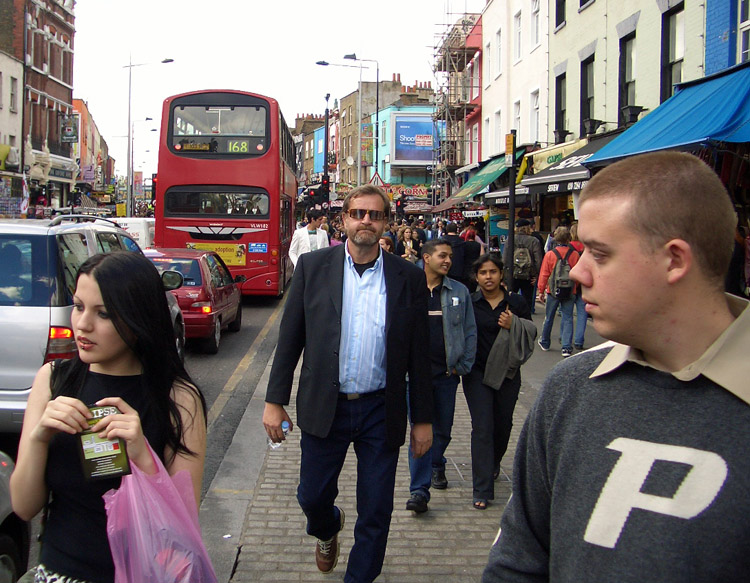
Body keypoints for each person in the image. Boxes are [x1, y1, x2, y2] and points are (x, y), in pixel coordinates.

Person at [483, 151, 750, 582]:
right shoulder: (570, 387)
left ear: (675, 260)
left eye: (600, 254)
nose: (577, 273)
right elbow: (518, 561)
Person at [262, 184, 432, 583]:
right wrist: (274, 400)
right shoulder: (313, 267)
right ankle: (326, 529)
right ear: (344, 221)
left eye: (374, 215)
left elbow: (420, 353)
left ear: (386, 222)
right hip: (326, 405)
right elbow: (290, 339)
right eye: (358, 214)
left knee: (376, 509)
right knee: (312, 496)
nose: (366, 221)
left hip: (380, 408)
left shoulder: (408, 277)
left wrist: (422, 418)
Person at [11, 252, 207, 583]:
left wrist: (143, 457)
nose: (83, 324)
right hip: (58, 573)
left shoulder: (178, 399)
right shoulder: (53, 380)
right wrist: (39, 437)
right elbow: (24, 506)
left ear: (138, 318)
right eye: (78, 306)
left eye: (103, 313)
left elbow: (181, 528)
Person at [405, 239, 476, 514]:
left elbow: (469, 330)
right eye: (442, 256)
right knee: (420, 430)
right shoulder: (410, 287)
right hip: (415, 377)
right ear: (426, 257)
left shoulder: (459, 290)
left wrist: (464, 364)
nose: (447, 261)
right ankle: (419, 491)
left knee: (442, 430)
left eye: (450, 256)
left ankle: (437, 463)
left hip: (447, 374)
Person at [463, 253, 536, 510]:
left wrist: (513, 323)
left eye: (493, 272)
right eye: (483, 273)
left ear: (501, 274)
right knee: (482, 427)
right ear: (476, 277)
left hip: (507, 373)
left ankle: (493, 463)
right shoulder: (470, 302)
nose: (488, 277)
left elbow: (530, 332)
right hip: (477, 374)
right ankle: (481, 489)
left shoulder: (515, 302)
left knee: (502, 424)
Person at [536, 226, 580, 357]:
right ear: (568, 238)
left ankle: (545, 341)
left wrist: (541, 291)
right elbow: (577, 274)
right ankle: (566, 347)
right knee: (567, 318)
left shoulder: (550, 255)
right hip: (570, 290)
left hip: (553, 291)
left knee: (549, 317)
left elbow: (544, 274)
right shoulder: (575, 255)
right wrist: (574, 287)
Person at [502, 219, 543, 310]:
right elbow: (538, 260)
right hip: (529, 275)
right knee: (527, 302)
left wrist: (504, 276)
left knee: (511, 300)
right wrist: (537, 276)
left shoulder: (510, 239)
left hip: (512, 273)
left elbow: (504, 259)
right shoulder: (534, 241)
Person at [569, 222, 588, 348]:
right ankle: (579, 341)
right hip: (583, 283)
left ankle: (565, 338)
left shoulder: (568, 247)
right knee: (582, 313)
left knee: (567, 314)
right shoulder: (587, 247)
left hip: (569, 284)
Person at [444, 222, 468, 288]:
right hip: (459, 270)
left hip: (444, 269)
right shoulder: (462, 242)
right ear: (456, 230)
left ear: (447, 229)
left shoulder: (441, 241)